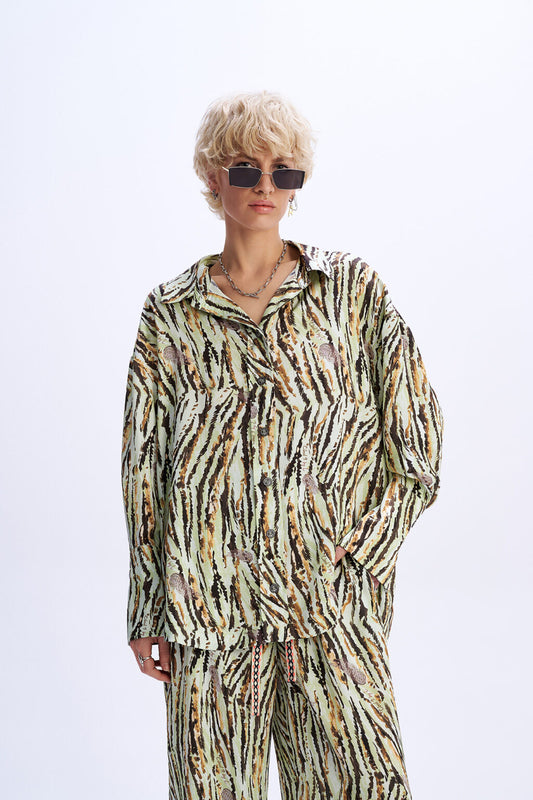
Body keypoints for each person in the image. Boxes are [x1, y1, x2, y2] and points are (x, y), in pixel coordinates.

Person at [121, 90, 444, 800]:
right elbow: (144, 469)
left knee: (362, 787)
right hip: (210, 611)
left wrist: (360, 556)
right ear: (214, 176)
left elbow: (418, 443)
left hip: (331, 609)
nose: (265, 185)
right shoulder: (170, 314)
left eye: (284, 170)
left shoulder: (351, 293)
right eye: (246, 168)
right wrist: (146, 607)